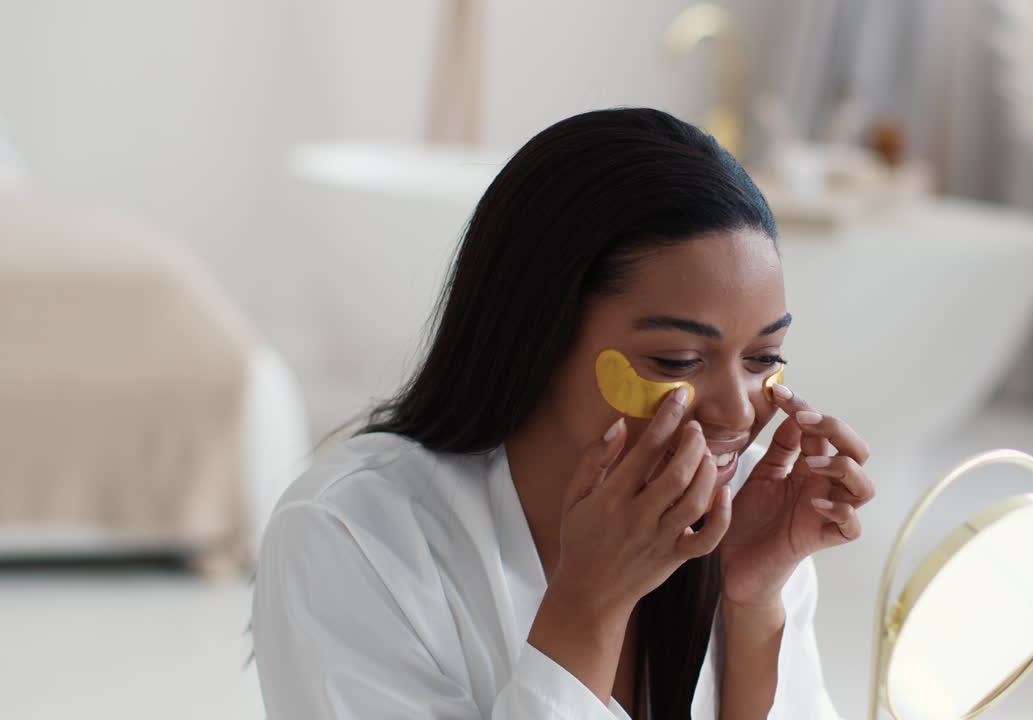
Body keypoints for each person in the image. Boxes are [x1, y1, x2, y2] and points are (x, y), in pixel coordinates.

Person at [251, 107, 874, 720]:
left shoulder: (746, 505)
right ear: (536, 336)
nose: (738, 413)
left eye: (764, 358)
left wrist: (754, 604)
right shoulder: (349, 536)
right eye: (678, 361)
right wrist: (588, 604)